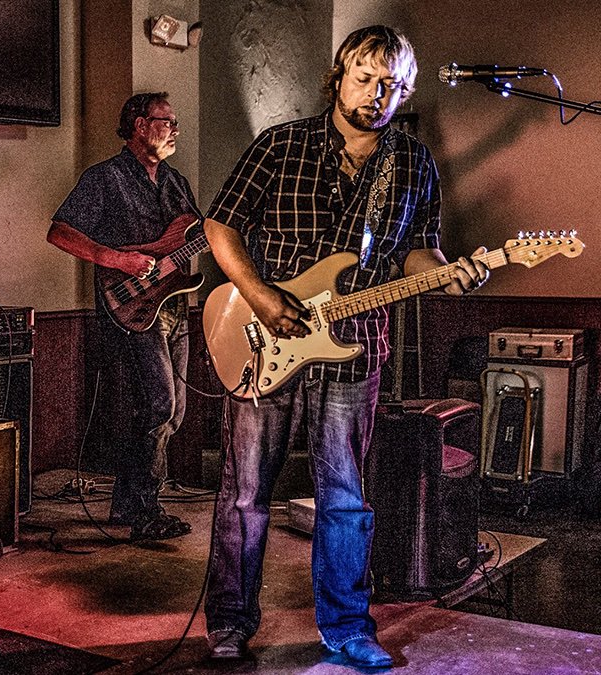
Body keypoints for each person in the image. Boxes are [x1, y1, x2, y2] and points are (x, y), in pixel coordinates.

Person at [200, 26, 489, 667]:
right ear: (340, 74)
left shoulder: (411, 162)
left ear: (404, 90)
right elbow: (219, 224)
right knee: (247, 490)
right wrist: (262, 294)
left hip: (356, 344)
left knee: (347, 495)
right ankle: (228, 622)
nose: (375, 94)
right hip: (265, 334)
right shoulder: (281, 144)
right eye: (365, 78)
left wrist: (450, 273)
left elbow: (422, 252)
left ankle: (347, 627)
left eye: (391, 85)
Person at [48, 92, 198, 541]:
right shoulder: (106, 178)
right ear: (138, 124)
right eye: (165, 120)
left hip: (173, 305)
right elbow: (60, 231)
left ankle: (128, 505)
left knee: (175, 412)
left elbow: (190, 238)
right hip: (131, 305)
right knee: (158, 402)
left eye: (174, 122)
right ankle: (144, 511)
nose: (174, 129)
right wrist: (116, 259)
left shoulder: (176, 182)